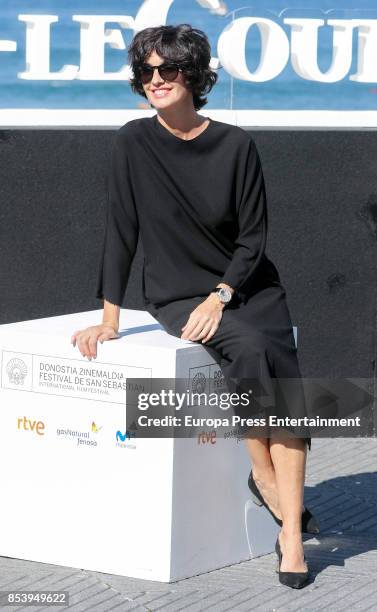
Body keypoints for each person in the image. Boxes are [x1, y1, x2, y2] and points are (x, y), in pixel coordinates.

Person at [71, 24, 319, 589]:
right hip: (178, 292)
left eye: (168, 70)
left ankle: (290, 535)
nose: (155, 80)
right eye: (146, 72)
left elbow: (254, 238)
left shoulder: (235, 144)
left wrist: (223, 295)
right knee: (252, 350)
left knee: (274, 365)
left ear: (195, 75)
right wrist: (110, 317)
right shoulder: (132, 142)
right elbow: (121, 231)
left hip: (246, 287)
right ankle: (265, 476)